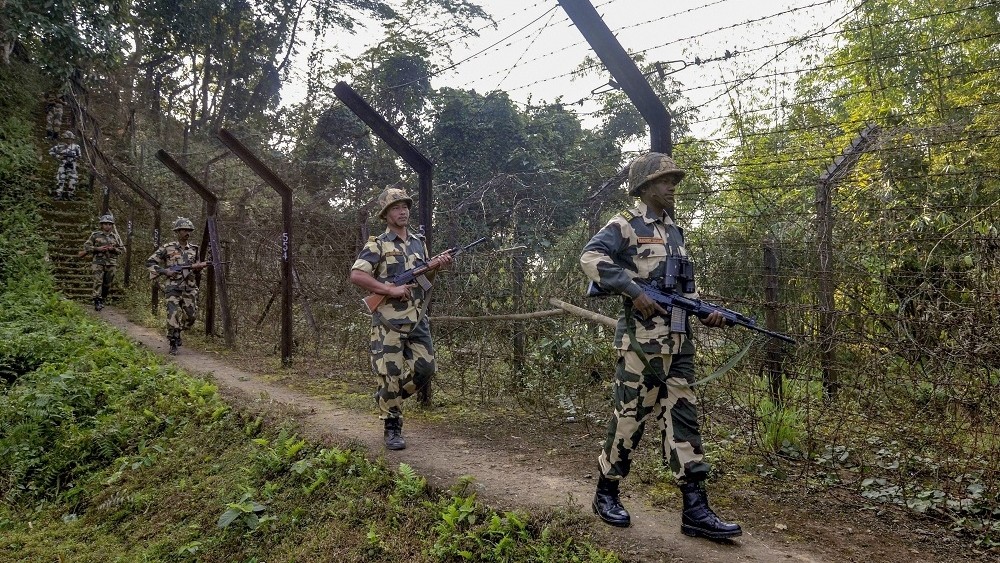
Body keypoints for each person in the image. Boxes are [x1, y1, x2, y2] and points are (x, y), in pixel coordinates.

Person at [580, 152, 742, 539]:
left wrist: (706, 311)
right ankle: (607, 492)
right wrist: (634, 291)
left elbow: (682, 288)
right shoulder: (626, 225)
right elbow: (590, 257)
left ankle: (695, 509)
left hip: (679, 344)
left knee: (684, 421)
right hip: (641, 346)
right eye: (666, 180)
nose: (673, 186)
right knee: (630, 418)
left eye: (674, 180)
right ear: (646, 187)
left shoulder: (676, 231)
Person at [349, 186, 453, 450]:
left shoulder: (418, 242)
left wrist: (436, 266)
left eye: (405, 206)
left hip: (417, 319)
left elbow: (423, 279)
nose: (402, 211)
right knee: (390, 373)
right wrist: (389, 289)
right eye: (396, 207)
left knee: (426, 369)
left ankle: (389, 398)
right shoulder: (377, 244)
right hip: (388, 323)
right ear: (386, 214)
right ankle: (392, 425)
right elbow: (357, 275)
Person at [146, 217, 209, 355]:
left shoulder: (194, 249)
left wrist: (199, 267)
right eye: (184, 230)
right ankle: (173, 341)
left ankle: (178, 331)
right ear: (178, 231)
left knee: (191, 316)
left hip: (189, 287)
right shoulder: (167, 248)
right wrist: (165, 271)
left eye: (189, 230)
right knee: (172, 314)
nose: (187, 232)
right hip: (173, 287)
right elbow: (150, 262)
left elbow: (196, 267)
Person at [79, 213, 125, 311]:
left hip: (111, 262)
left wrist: (113, 249)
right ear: (101, 225)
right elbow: (86, 247)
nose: (107, 226)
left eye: (109, 224)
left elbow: (122, 250)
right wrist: (97, 249)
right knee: (97, 281)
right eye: (105, 224)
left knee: (107, 283)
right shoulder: (95, 235)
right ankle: (97, 300)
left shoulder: (115, 237)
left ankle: (102, 298)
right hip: (98, 262)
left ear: (112, 225)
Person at [48, 130, 81, 200]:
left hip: (72, 165)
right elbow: (50, 152)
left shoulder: (76, 147)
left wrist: (74, 157)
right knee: (60, 179)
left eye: (70, 139)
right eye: (67, 139)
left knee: (73, 180)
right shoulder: (60, 146)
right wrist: (59, 156)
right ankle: (58, 194)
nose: (69, 140)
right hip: (63, 164)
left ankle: (70, 195)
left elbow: (79, 156)